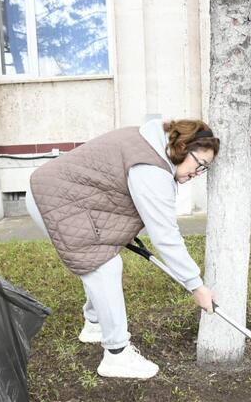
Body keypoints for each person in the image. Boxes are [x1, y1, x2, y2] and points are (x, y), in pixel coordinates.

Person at [25, 119, 219, 379]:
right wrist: (196, 285)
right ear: (183, 146)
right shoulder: (151, 168)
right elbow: (165, 235)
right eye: (201, 165)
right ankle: (116, 355)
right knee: (104, 265)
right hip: (55, 200)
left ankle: (94, 324)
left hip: (60, 196)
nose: (198, 173)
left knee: (102, 259)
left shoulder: (148, 143)